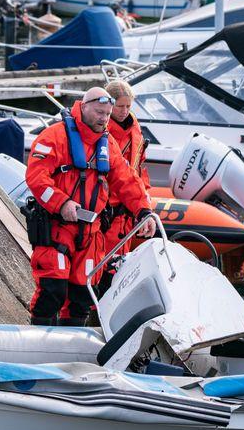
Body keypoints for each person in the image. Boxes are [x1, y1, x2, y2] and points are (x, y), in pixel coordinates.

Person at [25, 87, 156, 326]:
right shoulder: (54, 136)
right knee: (52, 289)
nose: (104, 118)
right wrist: (61, 202)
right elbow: (36, 177)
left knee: (83, 295)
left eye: (107, 114)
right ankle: (39, 340)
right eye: (99, 112)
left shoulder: (107, 145)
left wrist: (143, 211)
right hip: (58, 226)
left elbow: (126, 178)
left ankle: (71, 345)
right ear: (84, 107)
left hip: (91, 230)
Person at [99, 80, 152, 294]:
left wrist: (145, 201)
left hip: (126, 216)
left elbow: (140, 171)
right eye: (120, 106)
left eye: (128, 106)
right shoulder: (100, 131)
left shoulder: (135, 131)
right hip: (106, 214)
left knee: (119, 272)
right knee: (101, 270)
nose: (124, 111)